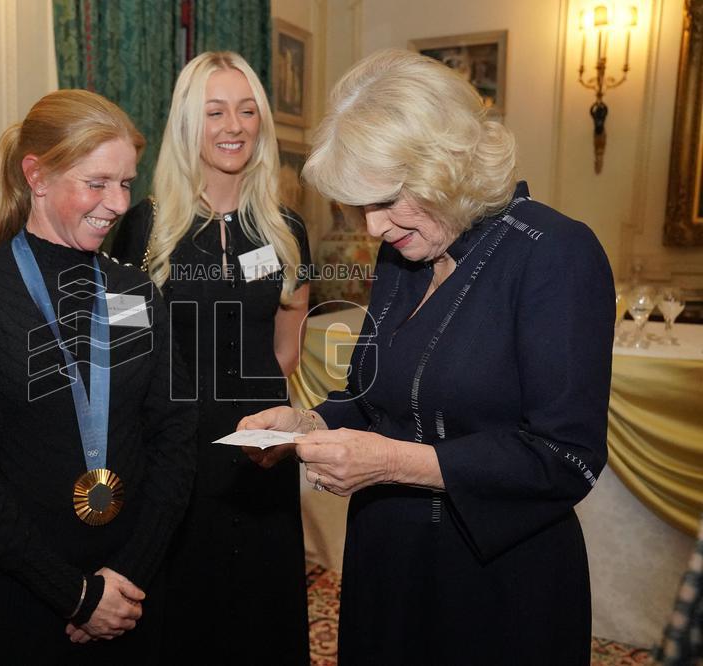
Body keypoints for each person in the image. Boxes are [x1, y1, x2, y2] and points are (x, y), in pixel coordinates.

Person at [240, 49, 614, 665]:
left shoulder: (554, 253)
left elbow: (566, 456)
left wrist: (390, 462)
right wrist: (306, 423)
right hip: (387, 560)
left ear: (448, 167)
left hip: (495, 582)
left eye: (386, 199)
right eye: (359, 206)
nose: (374, 227)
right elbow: (369, 395)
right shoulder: (405, 256)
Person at [0, 89, 197, 665]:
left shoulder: (136, 293)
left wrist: (124, 579)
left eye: (126, 183)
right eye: (97, 183)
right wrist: (75, 596)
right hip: (30, 599)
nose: (118, 203)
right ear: (36, 177)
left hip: (136, 589)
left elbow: (176, 438)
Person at [111, 51, 312, 664]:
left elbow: (285, 352)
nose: (234, 126)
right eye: (215, 111)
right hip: (172, 459)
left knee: (261, 621)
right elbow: (123, 358)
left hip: (261, 456)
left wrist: (272, 429)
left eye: (248, 110)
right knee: (183, 623)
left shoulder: (287, 232)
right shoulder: (141, 230)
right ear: (186, 125)